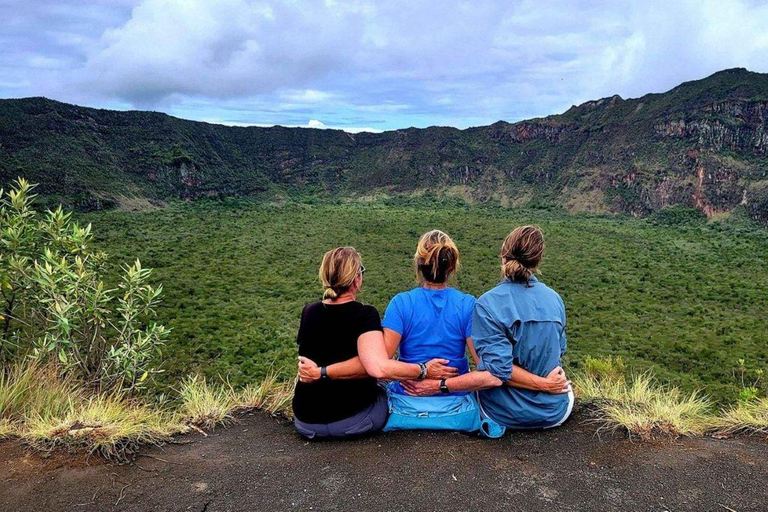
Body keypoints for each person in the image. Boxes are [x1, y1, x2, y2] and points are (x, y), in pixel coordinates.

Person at [359, 230, 568, 432]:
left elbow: (382, 364)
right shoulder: (468, 305)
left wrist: (418, 372)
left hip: (405, 404)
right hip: (457, 406)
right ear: (452, 266)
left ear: (418, 263)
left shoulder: (401, 303)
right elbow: (487, 371)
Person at [292, 246, 455, 440]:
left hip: (306, 421)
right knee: (385, 384)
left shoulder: (309, 311)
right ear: (356, 279)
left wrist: (319, 372)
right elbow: (377, 367)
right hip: (353, 420)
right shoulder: (365, 314)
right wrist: (423, 370)